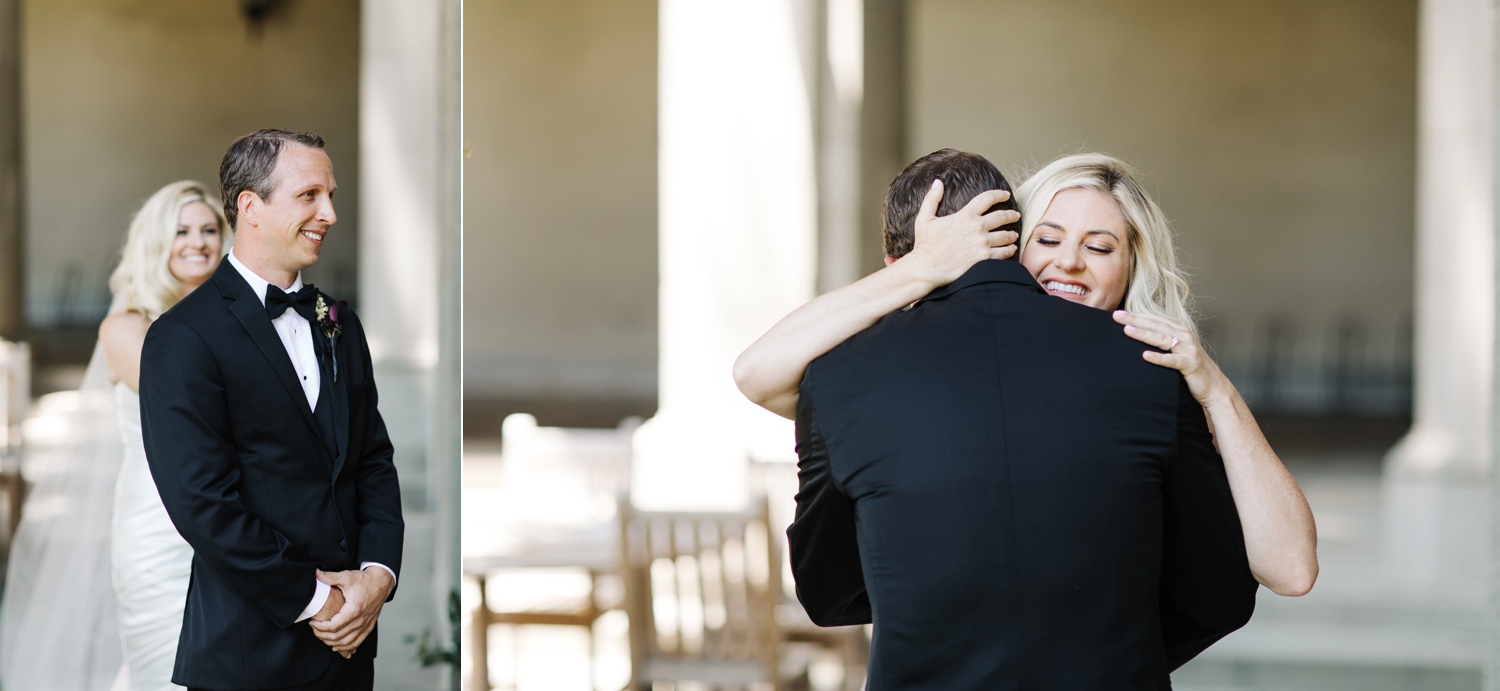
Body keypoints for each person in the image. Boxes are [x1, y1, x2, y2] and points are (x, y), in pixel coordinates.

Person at [765, 149, 1265, 688]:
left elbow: (828, 591)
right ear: (1013, 241)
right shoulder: (1156, 373)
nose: (1070, 261)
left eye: (1098, 246)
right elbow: (1221, 593)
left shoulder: (839, 378)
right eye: (1049, 239)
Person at [138, 129, 404, 691]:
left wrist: (377, 576)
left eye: (331, 195)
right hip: (248, 654)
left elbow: (373, 460)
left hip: (349, 652)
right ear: (250, 207)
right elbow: (202, 503)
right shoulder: (182, 338)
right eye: (309, 195)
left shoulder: (340, 322)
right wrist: (320, 600)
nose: (329, 213)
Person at [99, 181, 231, 690]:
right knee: (165, 668)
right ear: (156, 242)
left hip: (234, 515)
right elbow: (190, 410)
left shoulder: (239, 319)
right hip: (158, 521)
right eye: (180, 231)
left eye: (208, 229)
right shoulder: (125, 328)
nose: (197, 242)